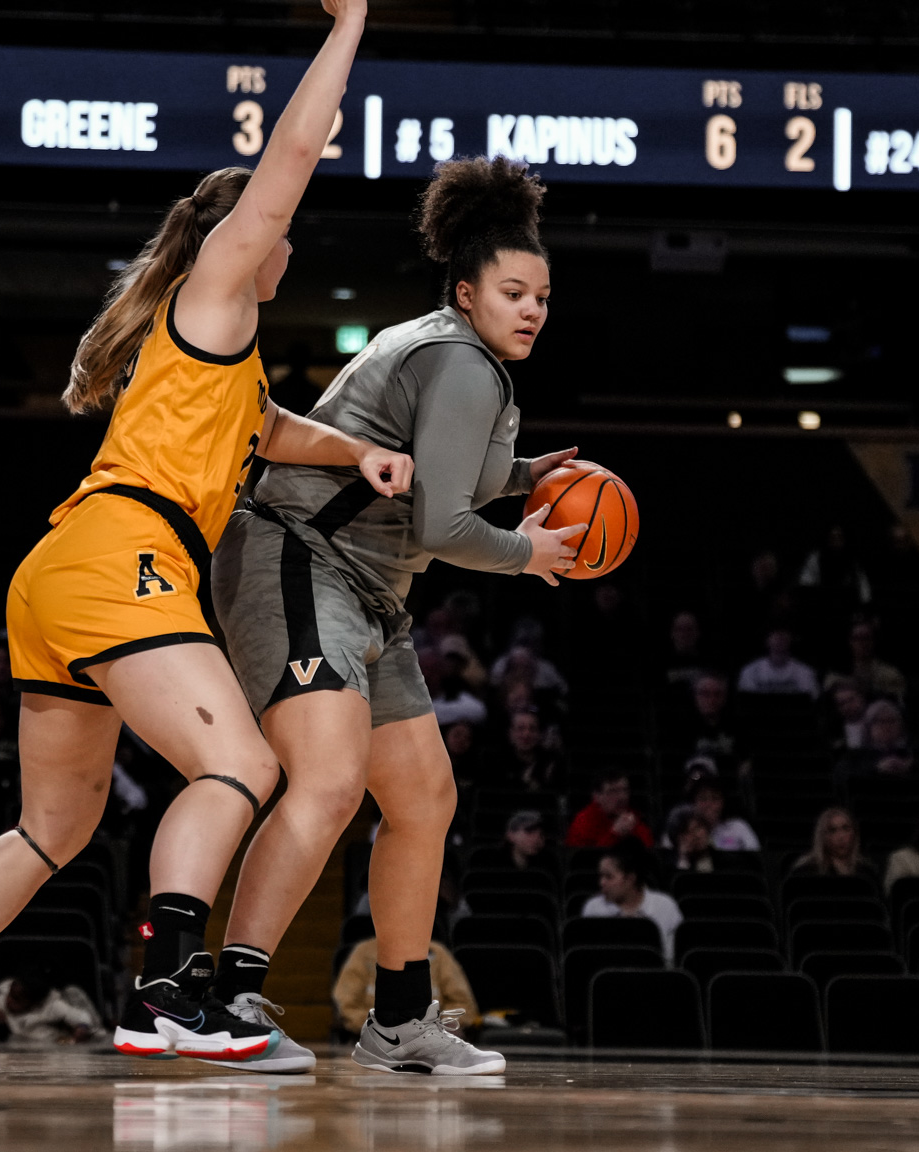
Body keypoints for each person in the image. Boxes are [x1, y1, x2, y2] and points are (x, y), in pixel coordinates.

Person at [0, 0, 409, 1078]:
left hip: (62, 571)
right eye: (276, 230)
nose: (285, 243)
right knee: (237, 765)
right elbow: (292, 151)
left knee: (49, 830)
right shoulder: (217, 290)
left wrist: (357, 456)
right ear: (246, 238)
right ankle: (167, 994)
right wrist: (348, 27)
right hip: (122, 559)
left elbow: (268, 428)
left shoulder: (214, 351)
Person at [202, 154, 583, 1079]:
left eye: (542, 294)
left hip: (369, 588)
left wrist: (530, 478)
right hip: (296, 559)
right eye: (514, 291)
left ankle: (400, 1019)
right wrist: (529, 551)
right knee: (329, 783)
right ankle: (227, 1002)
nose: (532, 308)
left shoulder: (464, 357)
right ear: (467, 290)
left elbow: (454, 481)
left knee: (422, 799)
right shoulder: (459, 361)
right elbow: (446, 524)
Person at [332, 936, 480, 1039]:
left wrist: (443, 1025)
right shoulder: (364, 952)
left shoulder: (438, 954)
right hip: (375, 1040)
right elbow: (347, 1006)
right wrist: (383, 1028)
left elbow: (463, 1003)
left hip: (431, 1037)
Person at [579, 844, 683, 964]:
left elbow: (671, 959)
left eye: (609, 877)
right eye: (601, 876)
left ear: (630, 879)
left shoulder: (665, 906)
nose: (602, 882)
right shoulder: (594, 907)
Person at [0, 968, 99, 1045]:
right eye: (10, 995)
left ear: (35, 1003)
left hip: (51, 1049)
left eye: (17, 999)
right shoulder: (2, 1001)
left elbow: (81, 1017)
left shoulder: (53, 1006)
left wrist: (82, 1027)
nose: (8, 1000)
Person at [661, 777, 759, 852]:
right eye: (703, 799)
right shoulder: (678, 826)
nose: (709, 804)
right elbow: (666, 855)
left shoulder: (738, 826)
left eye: (715, 798)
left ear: (723, 802)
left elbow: (756, 854)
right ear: (693, 802)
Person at [564, 770, 653, 850]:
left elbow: (647, 853)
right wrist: (614, 834)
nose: (622, 797)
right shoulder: (583, 822)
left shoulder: (634, 818)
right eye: (613, 791)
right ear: (596, 796)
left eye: (625, 790)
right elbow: (585, 862)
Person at [787, 807, 878, 884]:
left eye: (846, 828)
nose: (841, 837)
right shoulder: (806, 872)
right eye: (832, 830)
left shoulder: (866, 872)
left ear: (854, 833)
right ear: (822, 836)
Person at [736, 628, 817, 697]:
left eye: (784, 634)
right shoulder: (750, 671)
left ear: (791, 639)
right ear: (767, 639)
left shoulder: (805, 672)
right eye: (775, 634)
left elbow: (810, 701)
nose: (779, 638)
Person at [502, 811, 556, 876]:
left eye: (541, 833)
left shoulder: (548, 863)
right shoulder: (496, 866)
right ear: (510, 835)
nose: (537, 838)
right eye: (529, 831)